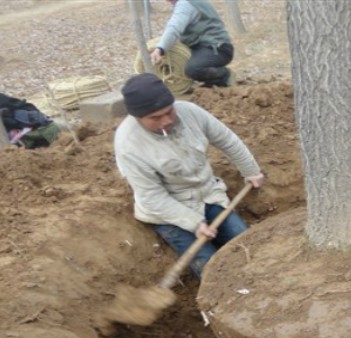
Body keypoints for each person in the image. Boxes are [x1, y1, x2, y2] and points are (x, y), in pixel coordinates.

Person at [113, 72, 264, 279]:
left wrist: (250, 170)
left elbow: (226, 139)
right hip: (169, 213)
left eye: (169, 111)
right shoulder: (128, 145)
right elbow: (152, 197)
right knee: (211, 269)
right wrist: (193, 223)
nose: (166, 121)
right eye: (155, 118)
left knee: (248, 246)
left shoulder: (190, 112)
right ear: (137, 117)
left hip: (207, 194)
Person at [150, 0, 234, 88]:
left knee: (193, 69)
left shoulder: (185, 4)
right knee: (184, 64)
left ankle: (225, 76)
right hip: (204, 46)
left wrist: (160, 49)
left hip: (216, 48)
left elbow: (174, 28)